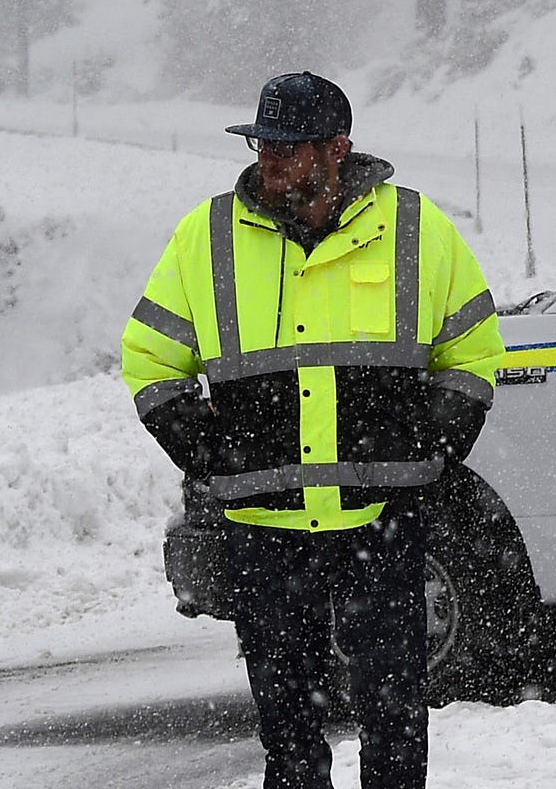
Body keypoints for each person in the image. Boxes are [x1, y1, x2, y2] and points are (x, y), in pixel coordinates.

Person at [121, 71, 503, 789]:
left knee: (394, 712)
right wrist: (206, 452)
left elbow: (474, 350)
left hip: (381, 515)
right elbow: (148, 357)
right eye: (263, 142)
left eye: (289, 147)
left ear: (338, 148)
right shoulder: (205, 235)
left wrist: (434, 447)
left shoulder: (416, 228)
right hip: (262, 526)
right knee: (286, 724)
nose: (269, 159)